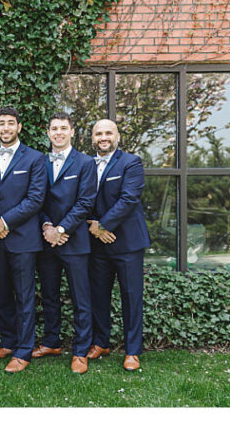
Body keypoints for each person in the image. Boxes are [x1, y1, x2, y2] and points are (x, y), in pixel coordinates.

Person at [0, 106, 47, 373]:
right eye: (1, 123)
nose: (5, 128)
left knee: (24, 296)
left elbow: (35, 199)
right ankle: (8, 342)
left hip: (22, 238)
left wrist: (4, 222)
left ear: (19, 127)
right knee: (2, 294)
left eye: (10, 123)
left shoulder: (34, 158)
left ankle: (23, 350)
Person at [35, 112, 96, 374]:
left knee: (80, 298)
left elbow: (85, 202)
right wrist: (48, 226)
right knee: (49, 294)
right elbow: (35, 199)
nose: (58, 132)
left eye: (63, 128)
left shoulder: (85, 163)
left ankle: (81, 350)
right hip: (46, 240)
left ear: (72, 132)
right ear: (47, 133)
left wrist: (61, 228)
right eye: (53, 128)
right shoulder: (39, 162)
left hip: (74, 241)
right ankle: (52, 341)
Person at [86, 119, 150, 371]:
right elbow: (80, 199)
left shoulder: (131, 162)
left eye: (108, 133)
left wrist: (102, 225)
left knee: (131, 297)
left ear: (117, 136)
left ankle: (133, 351)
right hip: (97, 244)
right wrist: (93, 225)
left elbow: (128, 199)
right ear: (92, 138)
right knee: (98, 296)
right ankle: (101, 342)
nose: (103, 137)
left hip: (127, 243)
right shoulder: (87, 164)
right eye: (98, 133)